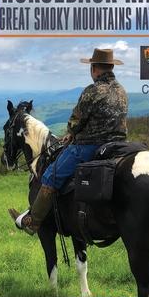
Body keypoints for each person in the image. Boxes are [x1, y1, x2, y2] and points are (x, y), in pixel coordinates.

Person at [9, 48, 128, 235]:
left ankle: (34, 222)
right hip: (119, 146)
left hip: (90, 146)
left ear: (94, 68)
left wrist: (71, 132)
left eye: (92, 67)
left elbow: (77, 120)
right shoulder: (122, 91)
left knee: (50, 175)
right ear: (111, 66)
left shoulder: (92, 91)